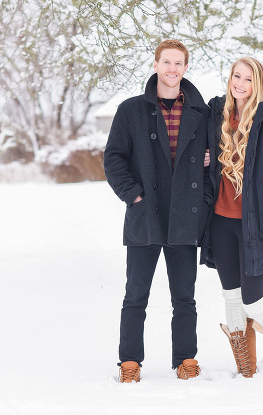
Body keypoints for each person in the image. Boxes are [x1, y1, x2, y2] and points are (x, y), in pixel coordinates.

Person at [104, 39, 210, 383]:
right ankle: (129, 362)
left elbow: (217, 160)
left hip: (184, 216)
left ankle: (186, 359)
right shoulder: (131, 110)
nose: (172, 69)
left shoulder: (203, 112)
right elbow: (113, 158)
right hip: (145, 214)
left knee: (185, 298)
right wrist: (133, 196)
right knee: (135, 295)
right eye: (166, 62)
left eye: (178, 63)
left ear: (185, 67)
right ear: (155, 64)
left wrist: (204, 179)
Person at [201, 56, 263, 380]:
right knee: (231, 299)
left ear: (258, 84)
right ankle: (246, 366)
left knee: (254, 301)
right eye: (236, 76)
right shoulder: (218, 114)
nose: (240, 84)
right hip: (221, 221)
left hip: (256, 225)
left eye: (247, 79)